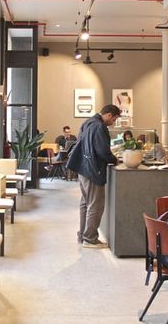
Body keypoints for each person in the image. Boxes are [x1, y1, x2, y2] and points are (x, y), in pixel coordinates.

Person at [66, 104, 121, 249]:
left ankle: (82, 235)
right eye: (114, 119)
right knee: (95, 205)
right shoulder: (99, 126)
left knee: (86, 203)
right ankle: (90, 239)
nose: (113, 122)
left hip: (83, 169)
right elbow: (103, 151)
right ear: (109, 115)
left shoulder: (88, 122)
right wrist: (114, 159)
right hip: (93, 170)